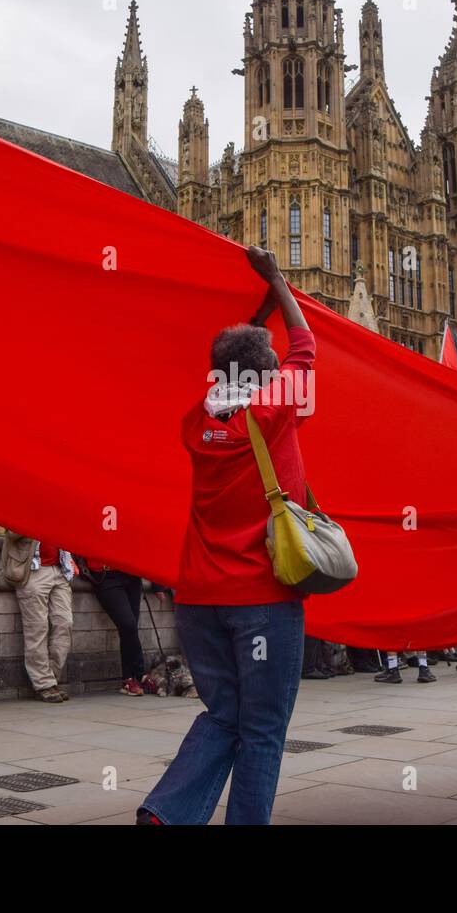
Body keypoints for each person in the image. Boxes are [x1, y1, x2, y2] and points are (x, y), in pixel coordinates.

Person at [138, 246, 312, 826]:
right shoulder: (273, 413)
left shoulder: (196, 422)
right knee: (262, 729)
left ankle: (167, 812)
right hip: (261, 601)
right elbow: (306, 346)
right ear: (266, 378)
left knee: (225, 714)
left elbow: (235, 371)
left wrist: (249, 332)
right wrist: (277, 282)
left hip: (198, 601)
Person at [0, 532, 74, 702]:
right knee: (37, 629)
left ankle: (51, 678)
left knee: (65, 623)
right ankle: (44, 684)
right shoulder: (25, 505)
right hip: (33, 570)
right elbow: (11, 533)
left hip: (60, 569)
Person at [85, 561, 158, 696]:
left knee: (129, 630)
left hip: (130, 573)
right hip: (106, 575)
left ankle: (127, 679)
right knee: (128, 625)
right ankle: (140, 673)